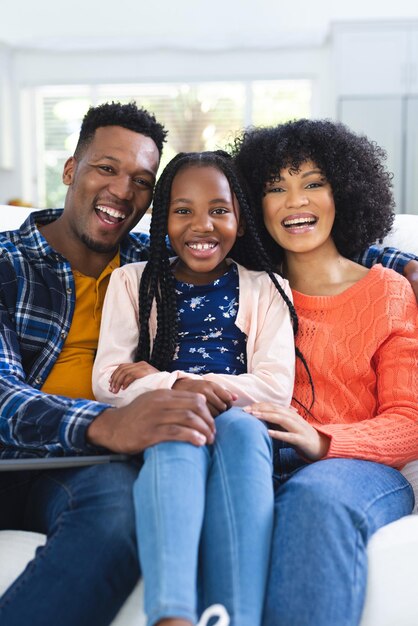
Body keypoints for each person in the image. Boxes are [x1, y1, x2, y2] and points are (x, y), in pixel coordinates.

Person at [0, 102, 216, 626]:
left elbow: (270, 250)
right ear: (71, 169)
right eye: (107, 168)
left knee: (121, 508)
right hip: (14, 459)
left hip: (83, 467)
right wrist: (105, 422)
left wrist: (398, 262)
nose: (123, 190)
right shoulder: (7, 263)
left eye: (142, 180)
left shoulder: (152, 265)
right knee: (118, 500)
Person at [93, 150, 297, 626]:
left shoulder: (268, 288)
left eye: (219, 210)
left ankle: (235, 616)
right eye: (182, 211)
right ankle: (173, 616)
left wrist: (178, 382)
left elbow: (274, 388)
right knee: (175, 434)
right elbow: (107, 381)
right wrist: (179, 388)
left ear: (242, 222)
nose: (201, 225)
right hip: (165, 420)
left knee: (244, 435)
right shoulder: (132, 282)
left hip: (242, 425)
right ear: (162, 220)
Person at [232, 118, 418, 626]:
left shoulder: (389, 291)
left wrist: (322, 439)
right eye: (275, 188)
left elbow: (408, 421)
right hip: (256, 458)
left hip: (357, 469)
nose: (295, 201)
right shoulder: (245, 292)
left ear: (345, 192)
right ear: (253, 206)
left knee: (315, 497)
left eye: (313, 183)